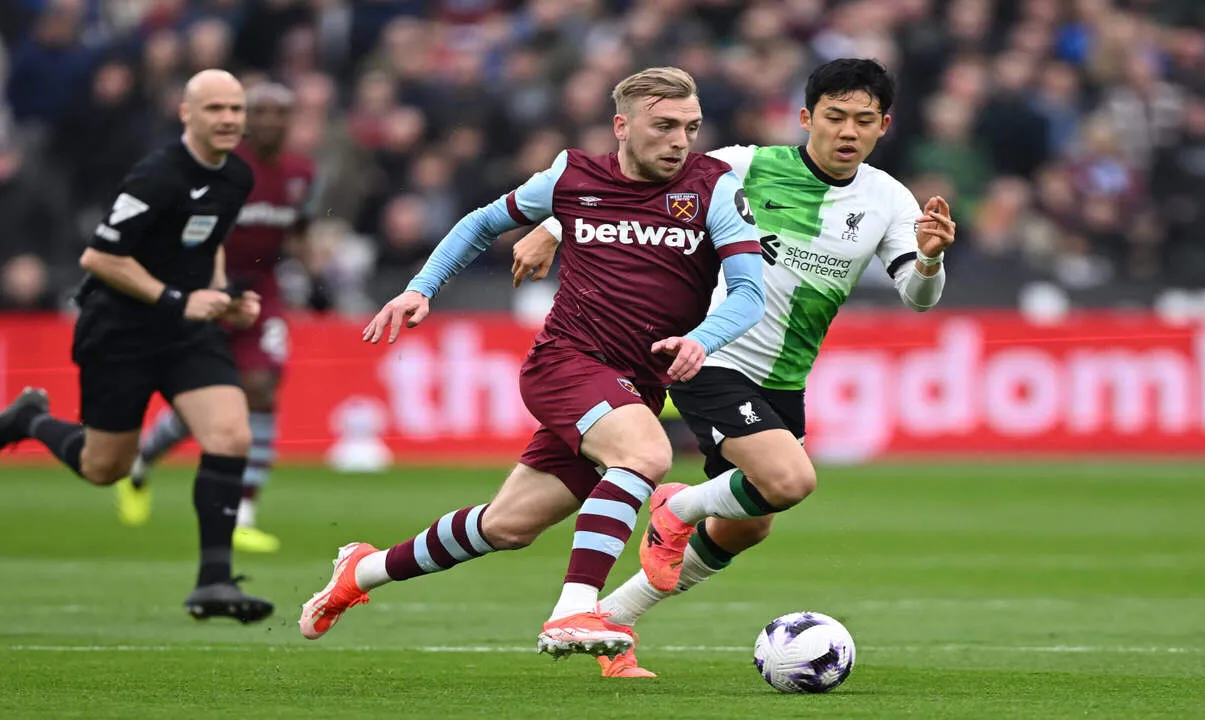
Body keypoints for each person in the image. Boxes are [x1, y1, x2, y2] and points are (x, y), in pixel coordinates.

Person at [297, 67, 765, 666]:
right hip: (566, 362)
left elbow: (749, 293)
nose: (679, 141)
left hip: (634, 385)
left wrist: (701, 338)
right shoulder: (571, 176)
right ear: (622, 126)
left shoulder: (714, 187)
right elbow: (481, 223)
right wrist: (423, 288)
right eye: (665, 126)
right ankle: (574, 608)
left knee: (507, 527)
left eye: (691, 128)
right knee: (646, 457)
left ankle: (360, 571)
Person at [510, 58, 956, 676]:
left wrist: (930, 259)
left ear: (884, 125)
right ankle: (676, 509)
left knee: (749, 527)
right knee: (791, 480)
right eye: (833, 117)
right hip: (708, 353)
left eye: (863, 120)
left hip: (785, 376)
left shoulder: (889, 200)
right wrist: (555, 226)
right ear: (806, 119)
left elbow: (917, 295)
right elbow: (639, 186)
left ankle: (613, 618)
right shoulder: (745, 164)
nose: (846, 132)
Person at [0, 69, 275, 623]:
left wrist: (223, 296)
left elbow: (212, 242)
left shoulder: (237, 177)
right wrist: (177, 298)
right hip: (120, 331)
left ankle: (213, 583)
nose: (228, 119)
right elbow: (98, 258)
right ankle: (30, 420)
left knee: (231, 431)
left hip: (186, 331)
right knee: (106, 467)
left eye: (236, 109)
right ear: (186, 114)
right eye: (215, 108)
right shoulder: (156, 175)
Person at [116, 82, 320, 554]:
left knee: (262, 389)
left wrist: (318, 280)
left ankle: (244, 512)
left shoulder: (302, 174)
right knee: (206, 400)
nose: (269, 121)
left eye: (278, 114)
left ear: (290, 122)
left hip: (264, 292)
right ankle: (143, 462)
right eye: (260, 112)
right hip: (208, 286)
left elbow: (301, 231)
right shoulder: (226, 168)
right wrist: (209, 289)